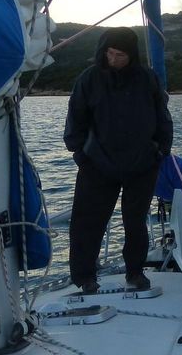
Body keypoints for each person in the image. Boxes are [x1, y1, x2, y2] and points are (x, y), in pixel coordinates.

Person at [64, 27, 173, 293]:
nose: (113, 59)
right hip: (97, 164)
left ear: (131, 55)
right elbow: (75, 118)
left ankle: (135, 273)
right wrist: (80, 153)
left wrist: (160, 151)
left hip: (142, 164)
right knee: (87, 221)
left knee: (135, 222)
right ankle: (84, 277)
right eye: (109, 53)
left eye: (120, 54)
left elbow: (162, 117)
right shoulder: (88, 80)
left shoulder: (147, 79)